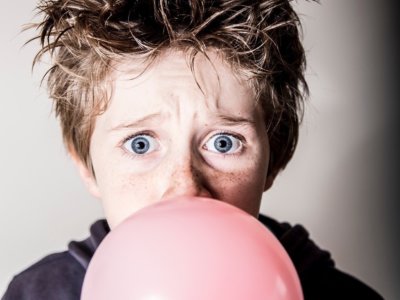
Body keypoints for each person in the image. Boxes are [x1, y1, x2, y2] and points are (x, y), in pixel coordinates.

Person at [2, 0, 384, 299]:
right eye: (140, 144)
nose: (185, 187)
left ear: (275, 158)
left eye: (223, 142)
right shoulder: (35, 295)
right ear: (86, 165)